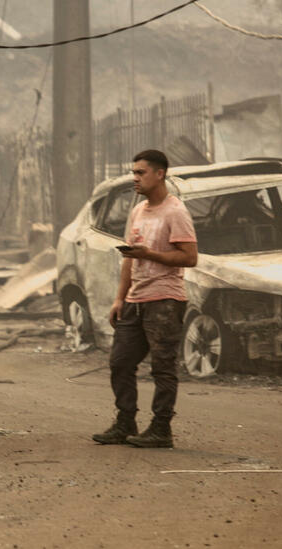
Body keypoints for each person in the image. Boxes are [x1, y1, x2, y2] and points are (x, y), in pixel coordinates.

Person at [92, 149, 198, 449]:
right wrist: (119, 298)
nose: (134, 178)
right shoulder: (138, 211)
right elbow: (129, 258)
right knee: (120, 363)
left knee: (163, 367)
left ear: (160, 173)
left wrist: (150, 255)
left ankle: (161, 429)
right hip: (136, 300)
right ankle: (125, 423)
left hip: (165, 299)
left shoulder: (175, 211)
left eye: (140, 173)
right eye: (133, 172)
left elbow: (190, 257)